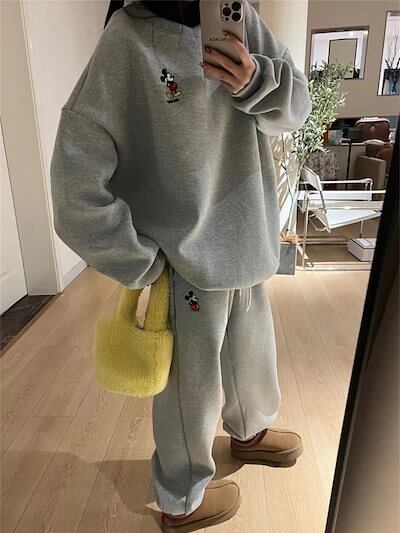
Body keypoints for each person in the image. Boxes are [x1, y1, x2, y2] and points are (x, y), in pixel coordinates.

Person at [50, 1, 312, 530]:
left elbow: (296, 110)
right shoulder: (126, 41)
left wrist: (257, 82)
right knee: (189, 391)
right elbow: (74, 188)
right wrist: (142, 262)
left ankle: (251, 431)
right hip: (184, 262)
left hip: (247, 241)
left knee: (252, 357)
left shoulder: (238, 16)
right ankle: (183, 499)